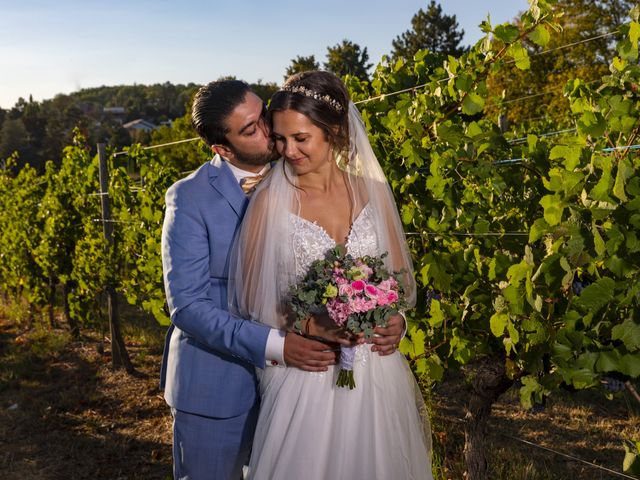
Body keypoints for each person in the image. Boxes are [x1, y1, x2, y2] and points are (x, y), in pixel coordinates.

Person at [160, 79, 406, 480]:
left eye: (264, 117)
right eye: (252, 129)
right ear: (222, 148)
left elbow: (387, 275)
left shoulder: (299, 163)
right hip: (220, 383)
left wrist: (386, 316)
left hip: (315, 383)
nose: (271, 135)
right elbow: (187, 306)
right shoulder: (189, 198)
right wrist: (283, 342)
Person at [230, 71, 433, 479]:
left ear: (335, 132)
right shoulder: (269, 201)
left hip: (375, 374)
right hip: (309, 374)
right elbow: (249, 301)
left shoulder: (372, 191)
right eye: (281, 139)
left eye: (301, 138)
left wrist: (397, 321)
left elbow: (397, 283)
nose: (288, 150)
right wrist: (312, 324)